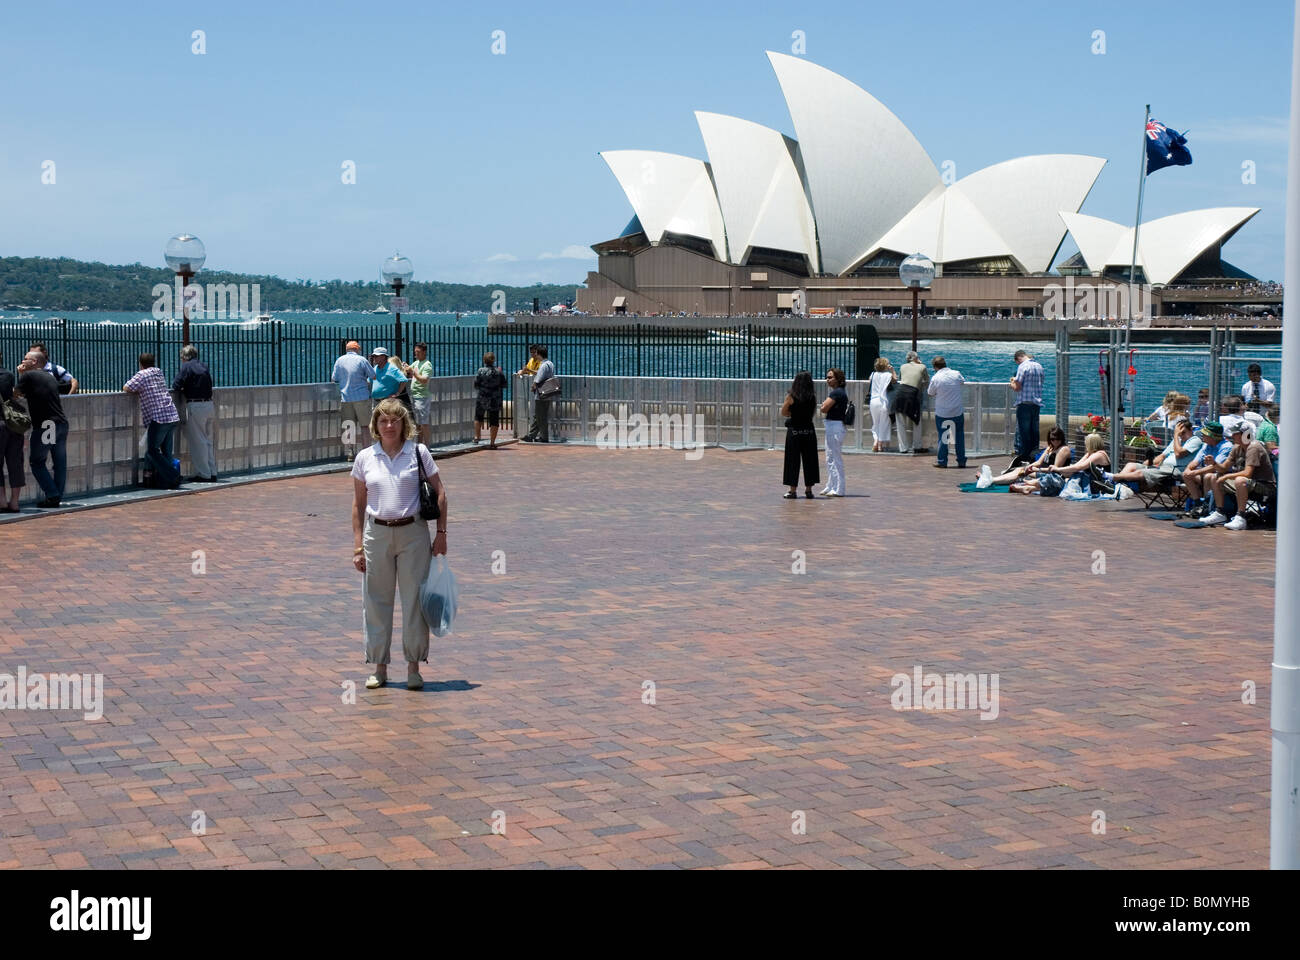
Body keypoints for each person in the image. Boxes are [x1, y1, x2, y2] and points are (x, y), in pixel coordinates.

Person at [351, 398, 448, 691]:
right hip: (376, 533)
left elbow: (441, 493)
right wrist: (357, 547)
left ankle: (414, 667)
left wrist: (440, 533)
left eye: (395, 420)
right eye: (383, 421)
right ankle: (379, 666)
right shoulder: (365, 457)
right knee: (376, 601)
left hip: (413, 533)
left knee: (415, 601)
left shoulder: (418, 453)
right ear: (375, 426)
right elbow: (358, 505)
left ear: (404, 424)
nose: (389, 426)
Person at [14, 349, 68, 508]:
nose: (22, 362)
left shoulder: (29, 376)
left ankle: (52, 495)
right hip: (61, 423)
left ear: (34, 362)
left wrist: (20, 374)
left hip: (47, 425)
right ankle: (57, 495)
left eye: (25, 359)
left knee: (37, 461)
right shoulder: (48, 376)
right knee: (59, 463)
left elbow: (16, 393)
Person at [1201, 421, 1277, 529]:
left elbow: (1247, 473)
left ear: (1245, 434)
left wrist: (1226, 476)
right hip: (1250, 483)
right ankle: (1219, 513)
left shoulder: (1254, 447)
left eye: (1235, 434)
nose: (1232, 436)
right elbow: (1224, 467)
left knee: (1240, 480)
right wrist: (1214, 463)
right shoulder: (1237, 447)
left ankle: (1241, 517)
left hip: (1266, 486)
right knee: (1214, 477)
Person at [124, 352, 182, 490]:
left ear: (140, 363)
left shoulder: (141, 374)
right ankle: (166, 482)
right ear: (153, 362)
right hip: (172, 414)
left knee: (152, 451)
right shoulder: (158, 372)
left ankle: (173, 475)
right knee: (167, 452)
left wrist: (138, 391)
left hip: (159, 417)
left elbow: (126, 387)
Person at [1107, 415, 1201, 488]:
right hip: (1163, 467)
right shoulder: (1177, 441)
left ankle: (1112, 477)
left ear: (1191, 430)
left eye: (1183, 433)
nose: (1181, 435)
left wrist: (1176, 435)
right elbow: (1162, 456)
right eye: (1179, 433)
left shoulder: (1195, 440)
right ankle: (1114, 485)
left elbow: (1179, 453)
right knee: (1131, 465)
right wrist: (1148, 463)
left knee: (1142, 473)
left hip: (1176, 471)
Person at [172, 344, 218, 482]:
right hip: (209, 404)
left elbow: (176, 384)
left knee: (198, 442)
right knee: (207, 441)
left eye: (181, 358)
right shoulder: (203, 366)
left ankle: (203, 474)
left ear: (184, 357)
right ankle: (212, 471)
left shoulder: (186, 367)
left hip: (196, 406)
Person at [1023, 431, 1110, 495]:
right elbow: (1076, 465)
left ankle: (1035, 484)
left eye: (1086, 443)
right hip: (1088, 482)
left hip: (1098, 485)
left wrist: (1058, 469)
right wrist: (1060, 471)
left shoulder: (1098, 455)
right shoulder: (1090, 454)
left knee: (1056, 479)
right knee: (1056, 478)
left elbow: (1079, 467)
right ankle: (1032, 487)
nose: (1085, 445)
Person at [332, 340, 376, 461]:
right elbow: (373, 375)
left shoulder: (339, 360)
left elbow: (334, 378)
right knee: (365, 426)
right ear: (357, 349)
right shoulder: (362, 360)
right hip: (362, 397)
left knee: (349, 426)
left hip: (346, 398)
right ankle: (367, 452)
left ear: (347, 349)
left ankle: (350, 452)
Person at [1181, 421, 1235, 516]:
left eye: (1205, 434)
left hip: (1221, 475)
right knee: (1186, 475)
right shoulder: (1206, 445)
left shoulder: (1226, 446)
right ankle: (1198, 504)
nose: (1202, 436)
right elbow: (1195, 462)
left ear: (1212, 436)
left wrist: (1195, 472)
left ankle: (1207, 506)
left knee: (1208, 476)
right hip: (1204, 473)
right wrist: (1188, 470)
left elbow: (1214, 468)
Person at [986, 426, 1070, 486]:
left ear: (1062, 438)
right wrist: (1029, 467)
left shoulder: (1063, 449)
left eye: (1058, 439)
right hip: (1042, 471)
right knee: (1020, 469)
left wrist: (1037, 469)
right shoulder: (1050, 447)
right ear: (1049, 439)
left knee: (1020, 472)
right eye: (1052, 439)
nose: (1055, 441)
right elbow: (1039, 462)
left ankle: (992, 480)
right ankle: (993, 479)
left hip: (1051, 476)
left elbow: (1054, 469)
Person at [781, 371, 820, 498]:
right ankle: (809, 490)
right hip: (809, 430)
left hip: (794, 431)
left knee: (792, 461)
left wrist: (793, 414)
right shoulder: (812, 397)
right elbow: (812, 413)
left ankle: (792, 490)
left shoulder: (791, 396)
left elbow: (784, 412)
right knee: (810, 460)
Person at [927, 355, 966, 469]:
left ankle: (942, 461)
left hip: (943, 412)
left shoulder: (936, 378)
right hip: (957, 410)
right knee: (959, 437)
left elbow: (930, 392)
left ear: (935, 367)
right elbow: (962, 382)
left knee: (944, 437)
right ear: (945, 364)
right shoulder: (956, 373)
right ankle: (961, 461)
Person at [0, 349, 26, 512]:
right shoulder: (8, 375)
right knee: (15, 463)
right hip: (13, 424)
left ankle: (1, 501)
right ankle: (15, 502)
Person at [816, 368, 848, 497]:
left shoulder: (837, 393)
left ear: (838, 379)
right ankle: (831, 485)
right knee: (829, 457)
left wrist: (823, 404)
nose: (827, 380)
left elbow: (824, 408)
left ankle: (840, 488)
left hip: (835, 426)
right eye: (827, 377)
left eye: (830, 377)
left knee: (835, 457)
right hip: (832, 425)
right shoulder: (837, 392)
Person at [1010, 349, 1044, 461]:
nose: (1018, 364)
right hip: (1036, 403)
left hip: (1024, 403)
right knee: (1034, 430)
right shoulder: (1039, 366)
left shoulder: (1022, 367)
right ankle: (1034, 454)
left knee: (1024, 431)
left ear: (1018, 358)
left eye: (1017, 362)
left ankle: (1023, 456)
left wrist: (1012, 382)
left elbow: (1017, 387)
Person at [893, 351, 928, 454]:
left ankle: (903, 448)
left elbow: (900, 379)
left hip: (900, 394)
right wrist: (920, 364)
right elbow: (926, 380)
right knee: (917, 421)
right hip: (912, 395)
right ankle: (917, 446)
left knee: (900, 423)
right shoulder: (922, 366)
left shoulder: (903, 366)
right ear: (917, 358)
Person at [473, 352, 507, 449]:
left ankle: (476, 437)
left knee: (478, 417)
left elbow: (476, 384)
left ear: (484, 360)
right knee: (494, 420)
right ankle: (492, 443)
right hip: (495, 399)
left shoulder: (480, 371)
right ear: (494, 360)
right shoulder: (498, 372)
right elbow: (504, 385)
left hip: (482, 397)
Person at [522, 345, 556, 443]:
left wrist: (533, 385)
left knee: (540, 416)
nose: (535, 355)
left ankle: (544, 437)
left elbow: (538, 377)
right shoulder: (550, 363)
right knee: (539, 415)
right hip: (548, 392)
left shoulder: (543, 365)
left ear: (539, 354)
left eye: (536, 353)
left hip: (541, 394)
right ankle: (531, 435)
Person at [405, 343, 434, 446]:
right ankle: (419, 444)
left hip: (422, 396)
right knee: (417, 423)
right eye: (415, 352)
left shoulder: (427, 365)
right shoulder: (416, 363)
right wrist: (405, 367)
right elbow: (409, 370)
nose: (415, 354)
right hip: (415, 396)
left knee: (424, 423)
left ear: (424, 352)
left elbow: (424, 380)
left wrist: (413, 372)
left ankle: (427, 445)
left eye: (418, 352)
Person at [867, 357, 895, 452]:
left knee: (875, 423)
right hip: (884, 401)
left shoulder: (873, 374)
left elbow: (869, 381)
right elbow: (895, 380)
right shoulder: (888, 375)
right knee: (884, 423)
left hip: (873, 401)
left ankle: (875, 441)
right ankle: (880, 444)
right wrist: (892, 370)